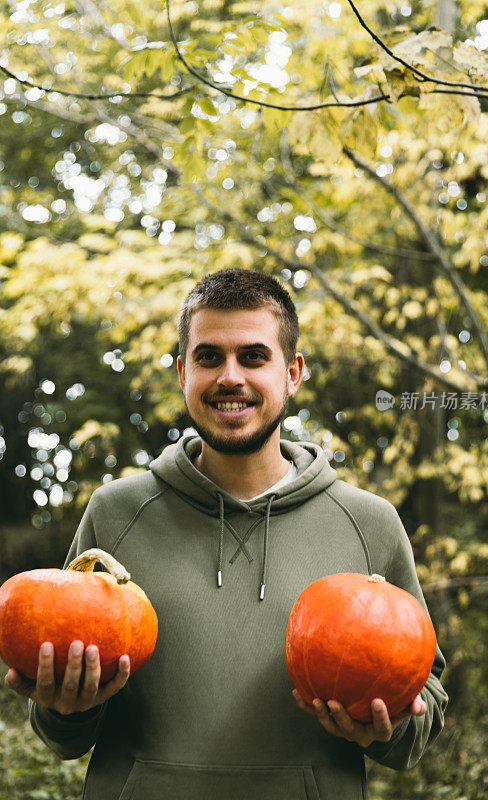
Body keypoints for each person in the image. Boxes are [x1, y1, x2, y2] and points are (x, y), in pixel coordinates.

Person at [6, 268, 447, 800]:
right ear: (182, 372)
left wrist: (389, 727)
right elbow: (62, 730)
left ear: (293, 373)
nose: (229, 377)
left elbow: (423, 706)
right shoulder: (116, 512)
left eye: (254, 357)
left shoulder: (369, 522)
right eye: (209, 357)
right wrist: (64, 711)